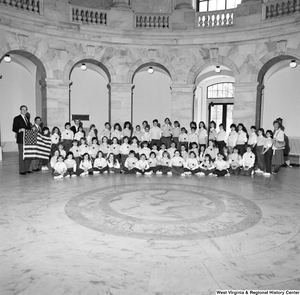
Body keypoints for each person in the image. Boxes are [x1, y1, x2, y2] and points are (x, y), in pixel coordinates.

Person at [12, 105, 32, 174]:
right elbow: (14, 128)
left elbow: (28, 128)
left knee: (27, 154)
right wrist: (19, 129)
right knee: (22, 154)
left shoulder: (27, 118)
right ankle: (22, 170)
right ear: (20, 110)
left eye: (26, 110)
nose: (24, 111)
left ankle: (27, 169)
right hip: (21, 139)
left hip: (27, 138)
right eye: (23, 109)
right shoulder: (17, 118)